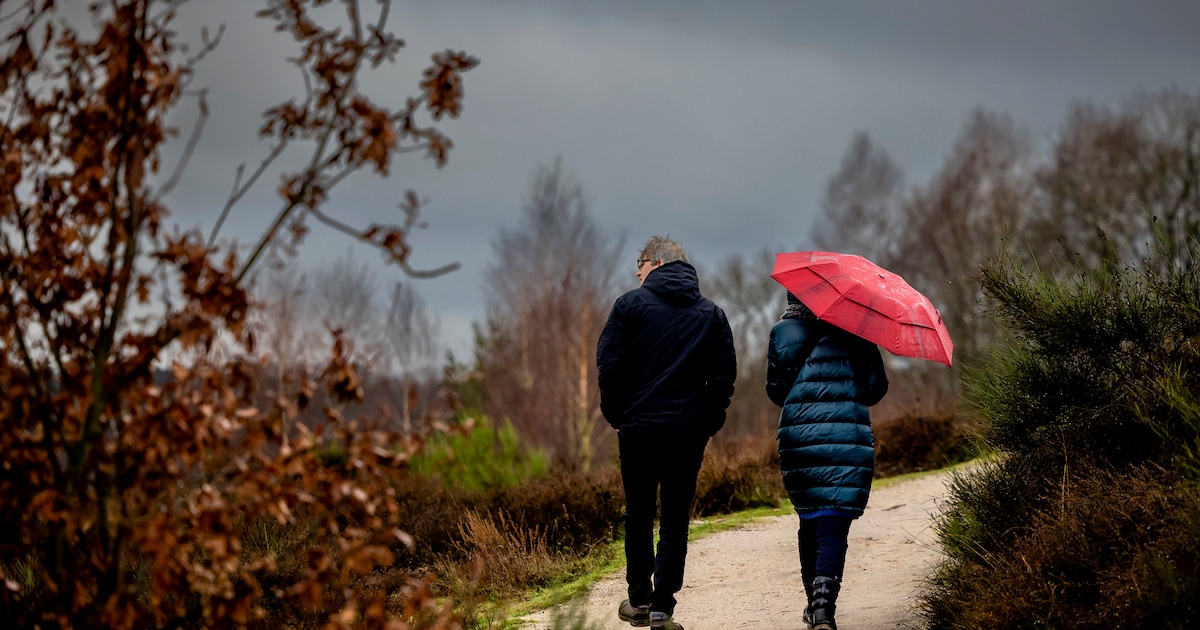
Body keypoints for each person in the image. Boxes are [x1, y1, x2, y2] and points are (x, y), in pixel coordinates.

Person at [596, 235, 737, 630]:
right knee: (675, 518)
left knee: (638, 513)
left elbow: (609, 367)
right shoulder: (711, 314)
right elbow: (724, 378)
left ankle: (638, 601)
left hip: (639, 429)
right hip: (686, 433)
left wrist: (617, 415)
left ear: (656, 263)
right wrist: (707, 423)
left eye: (639, 263)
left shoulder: (628, 307)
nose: (637, 272)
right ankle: (662, 610)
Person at [765, 291, 889, 630]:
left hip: (800, 436)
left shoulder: (783, 332)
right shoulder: (857, 331)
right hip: (847, 435)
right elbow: (875, 388)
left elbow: (776, 392)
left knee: (810, 520)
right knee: (833, 522)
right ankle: (823, 609)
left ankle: (812, 604)